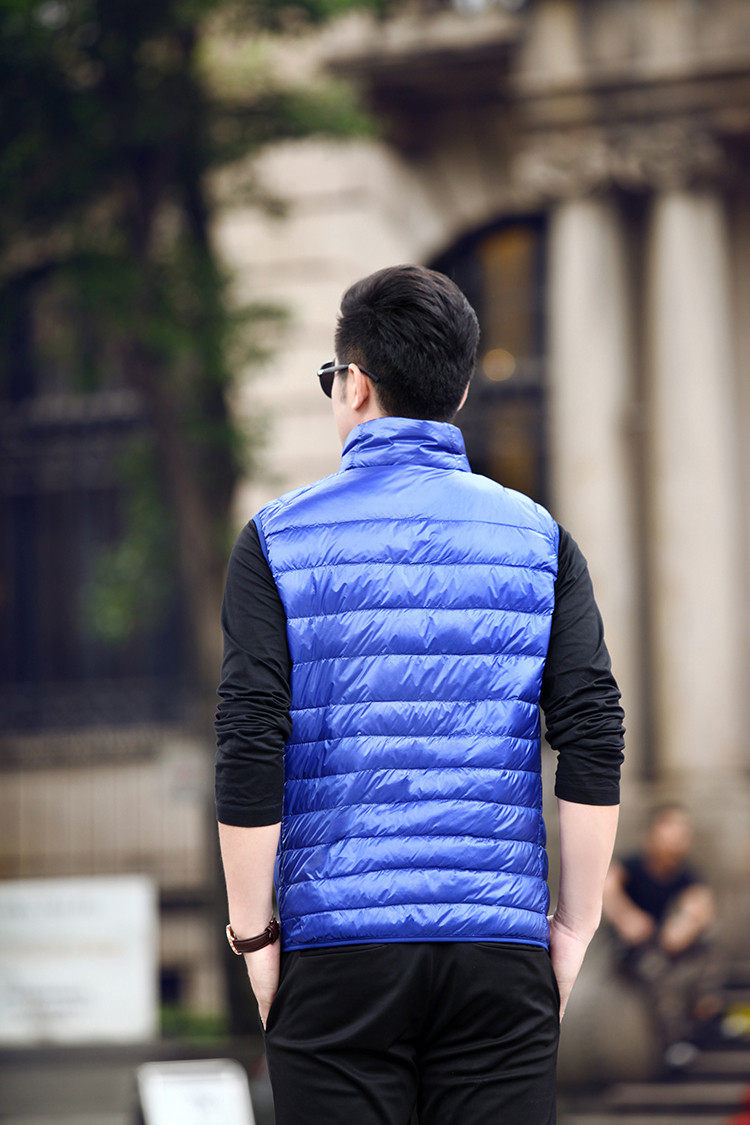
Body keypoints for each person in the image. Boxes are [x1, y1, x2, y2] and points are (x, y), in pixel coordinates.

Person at [214, 263, 626, 1124]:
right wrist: (575, 925)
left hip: (336, 949)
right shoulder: (542, 539)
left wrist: (254, 936)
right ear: (461, 390)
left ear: (355, 383)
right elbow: (592, 729)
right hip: (497, 946)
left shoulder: (275, 540)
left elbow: (251, 735)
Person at [602, 801, 726, 1071]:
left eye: (683, 832)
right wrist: (626, 917)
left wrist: (686, 925)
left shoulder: (686, 875)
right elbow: (606, 888)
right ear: (653, 833)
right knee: (656, 969)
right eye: (671, 829)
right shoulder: (632, 865)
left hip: (666, 944)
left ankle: (708, 1008)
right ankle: (676, 1042)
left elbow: (701, 905)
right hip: (633, 950)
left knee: (710, 937)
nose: (678, 838)